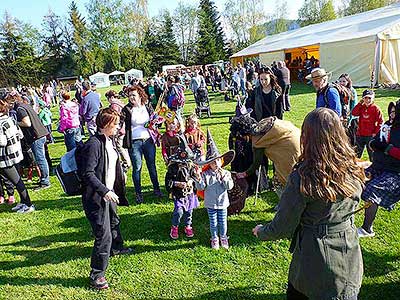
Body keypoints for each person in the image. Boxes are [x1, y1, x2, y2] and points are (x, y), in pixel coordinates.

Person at [252, 108, 365, 300]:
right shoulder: (352, 166)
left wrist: (262, 231)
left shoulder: (303, 177)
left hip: (315, 261)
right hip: (349, 254)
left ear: (307, 137)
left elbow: (284, 225)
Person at [76, 108, 132, 290]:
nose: (118, 127)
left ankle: (117, 247)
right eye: (115, 124)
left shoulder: (109, 140)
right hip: (96, 198)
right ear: (106, 125)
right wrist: (104, 191)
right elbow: (87, 173)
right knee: (103, 235)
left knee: (114, 221)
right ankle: (96, 274)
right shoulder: (93, 144)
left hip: (109, 195)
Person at [358, 99, 400, 238]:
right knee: (353, 180)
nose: (392, 115)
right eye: (391, 112)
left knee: (371, 190)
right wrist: (374, 143)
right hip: (378, 166)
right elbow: (374, 143)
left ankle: (366, 229)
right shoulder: (387, 126)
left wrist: (388, 149)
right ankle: (344, 219)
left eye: (396, 112)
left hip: (395, 173)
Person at [121, 85, 162, 204]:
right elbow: (121, 122)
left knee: (152, 166)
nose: (131, 97)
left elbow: (155, 119)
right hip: (134, 142)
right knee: (137, 168)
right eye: (129, 96)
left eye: (133, 95)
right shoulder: (127, 109)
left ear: (140, 95)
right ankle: (138, 193)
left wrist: (156, 122)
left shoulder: (147, 106)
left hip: (148, 140)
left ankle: (156, 189)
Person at [195, 130, 235, 250]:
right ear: (209, 164)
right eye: (212, 162)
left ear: (221, 161)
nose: (216, 164)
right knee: (213, 222)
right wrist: (198, 178)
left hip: (223, 203)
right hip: (210, 203)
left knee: (223, 222)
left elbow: (230, 187)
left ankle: (223, 237)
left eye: (217, 160)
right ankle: (214, 238)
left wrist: (224, 178)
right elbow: (201, 187)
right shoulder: (206, 174)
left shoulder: (226, 173)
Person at [6, 91, 51, 190]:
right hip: (40, 134)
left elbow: (27, 123)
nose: (7, 105)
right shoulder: (25, 105)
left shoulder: (20, 109)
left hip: (36, 136)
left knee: (40, 159)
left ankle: (45, 182)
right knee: (41, 158)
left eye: (8, 102)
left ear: (12, 100)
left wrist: (15, 123)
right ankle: (44, 178)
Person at [0, 98, 34, 213]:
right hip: (16, 155)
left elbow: (2, 142)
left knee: (17, 182)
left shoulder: (1, 123)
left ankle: (28, 204)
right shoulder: (11, 119)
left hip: (6, 158)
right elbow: (20, 135)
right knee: (18, 180)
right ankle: (23, 202)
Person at [166, 137, 200, 240]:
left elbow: (195, 178)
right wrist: (177, 183)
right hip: (178, 193)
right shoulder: (173, 167)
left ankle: (188, 226)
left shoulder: (190, 166)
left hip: (189, 194)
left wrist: (191, 181)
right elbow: (168, 181)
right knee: (179, 211)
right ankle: (174, 226)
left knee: (189, 211)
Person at [351, 90, 383, 161]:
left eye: (369, 98)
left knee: (371, 152)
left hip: (370, 134)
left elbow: (380, 121)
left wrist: (375, 132)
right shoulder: (361, 107)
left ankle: (373, 167)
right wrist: (359, 104)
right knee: (357, 153)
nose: (367, 100)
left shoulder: (375, 108)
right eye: (365, 98)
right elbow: (354, 113)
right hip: (360, 134)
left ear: (373, 99)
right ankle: (355, 165)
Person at [105, 90, 131, 172]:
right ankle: (126, 160)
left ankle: (127, 163)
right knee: (123, 146)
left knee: (119, 146)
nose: (108, 100)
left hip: (119, 129)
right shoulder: (121, 103)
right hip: (124, 127)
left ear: (111, 97)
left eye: (108, 98)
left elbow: (115, 118)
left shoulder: (114, 106)